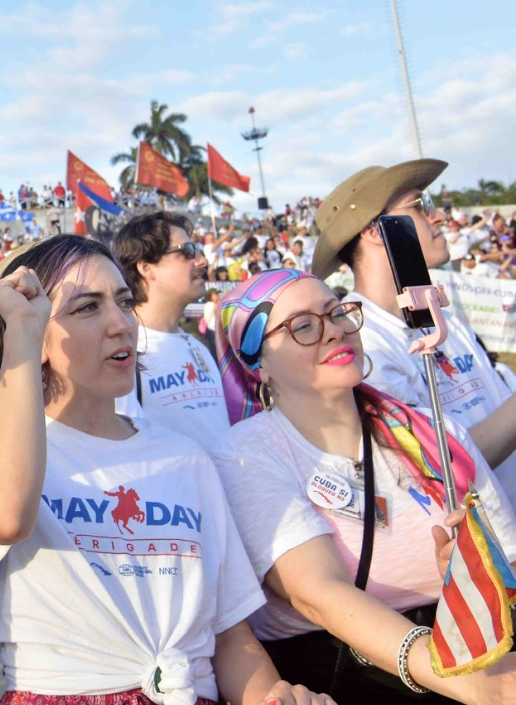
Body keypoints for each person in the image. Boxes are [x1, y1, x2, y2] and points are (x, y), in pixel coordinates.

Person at [0, 235, 329, 705]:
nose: (121, 324)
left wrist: (272, 697)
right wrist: (21, 333)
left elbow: (229, 637)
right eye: (87, 308)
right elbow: (3, 518)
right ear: (34, 331)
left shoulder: (186, 459)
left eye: (124, 302)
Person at [212, 268, 516, 702]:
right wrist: (461, 679)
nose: (334, 331)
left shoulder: (432, 432)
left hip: (474, 651)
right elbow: (319, 593)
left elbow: (509, 558)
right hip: (352, 675)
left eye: (337, 312)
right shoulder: (247, 454)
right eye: (302, 326)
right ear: (258, 363)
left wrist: (480, 570)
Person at [313, 160, 516, 504]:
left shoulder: (441, 315)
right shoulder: (364, 347)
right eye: (421, 207)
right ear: (376, 231)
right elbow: (442, 466)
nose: (439, 217)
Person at [112, 213, 231, 444]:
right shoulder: (122, 354)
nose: (201, 261)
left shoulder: (199, 347)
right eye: (187, 251)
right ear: (147, 268)